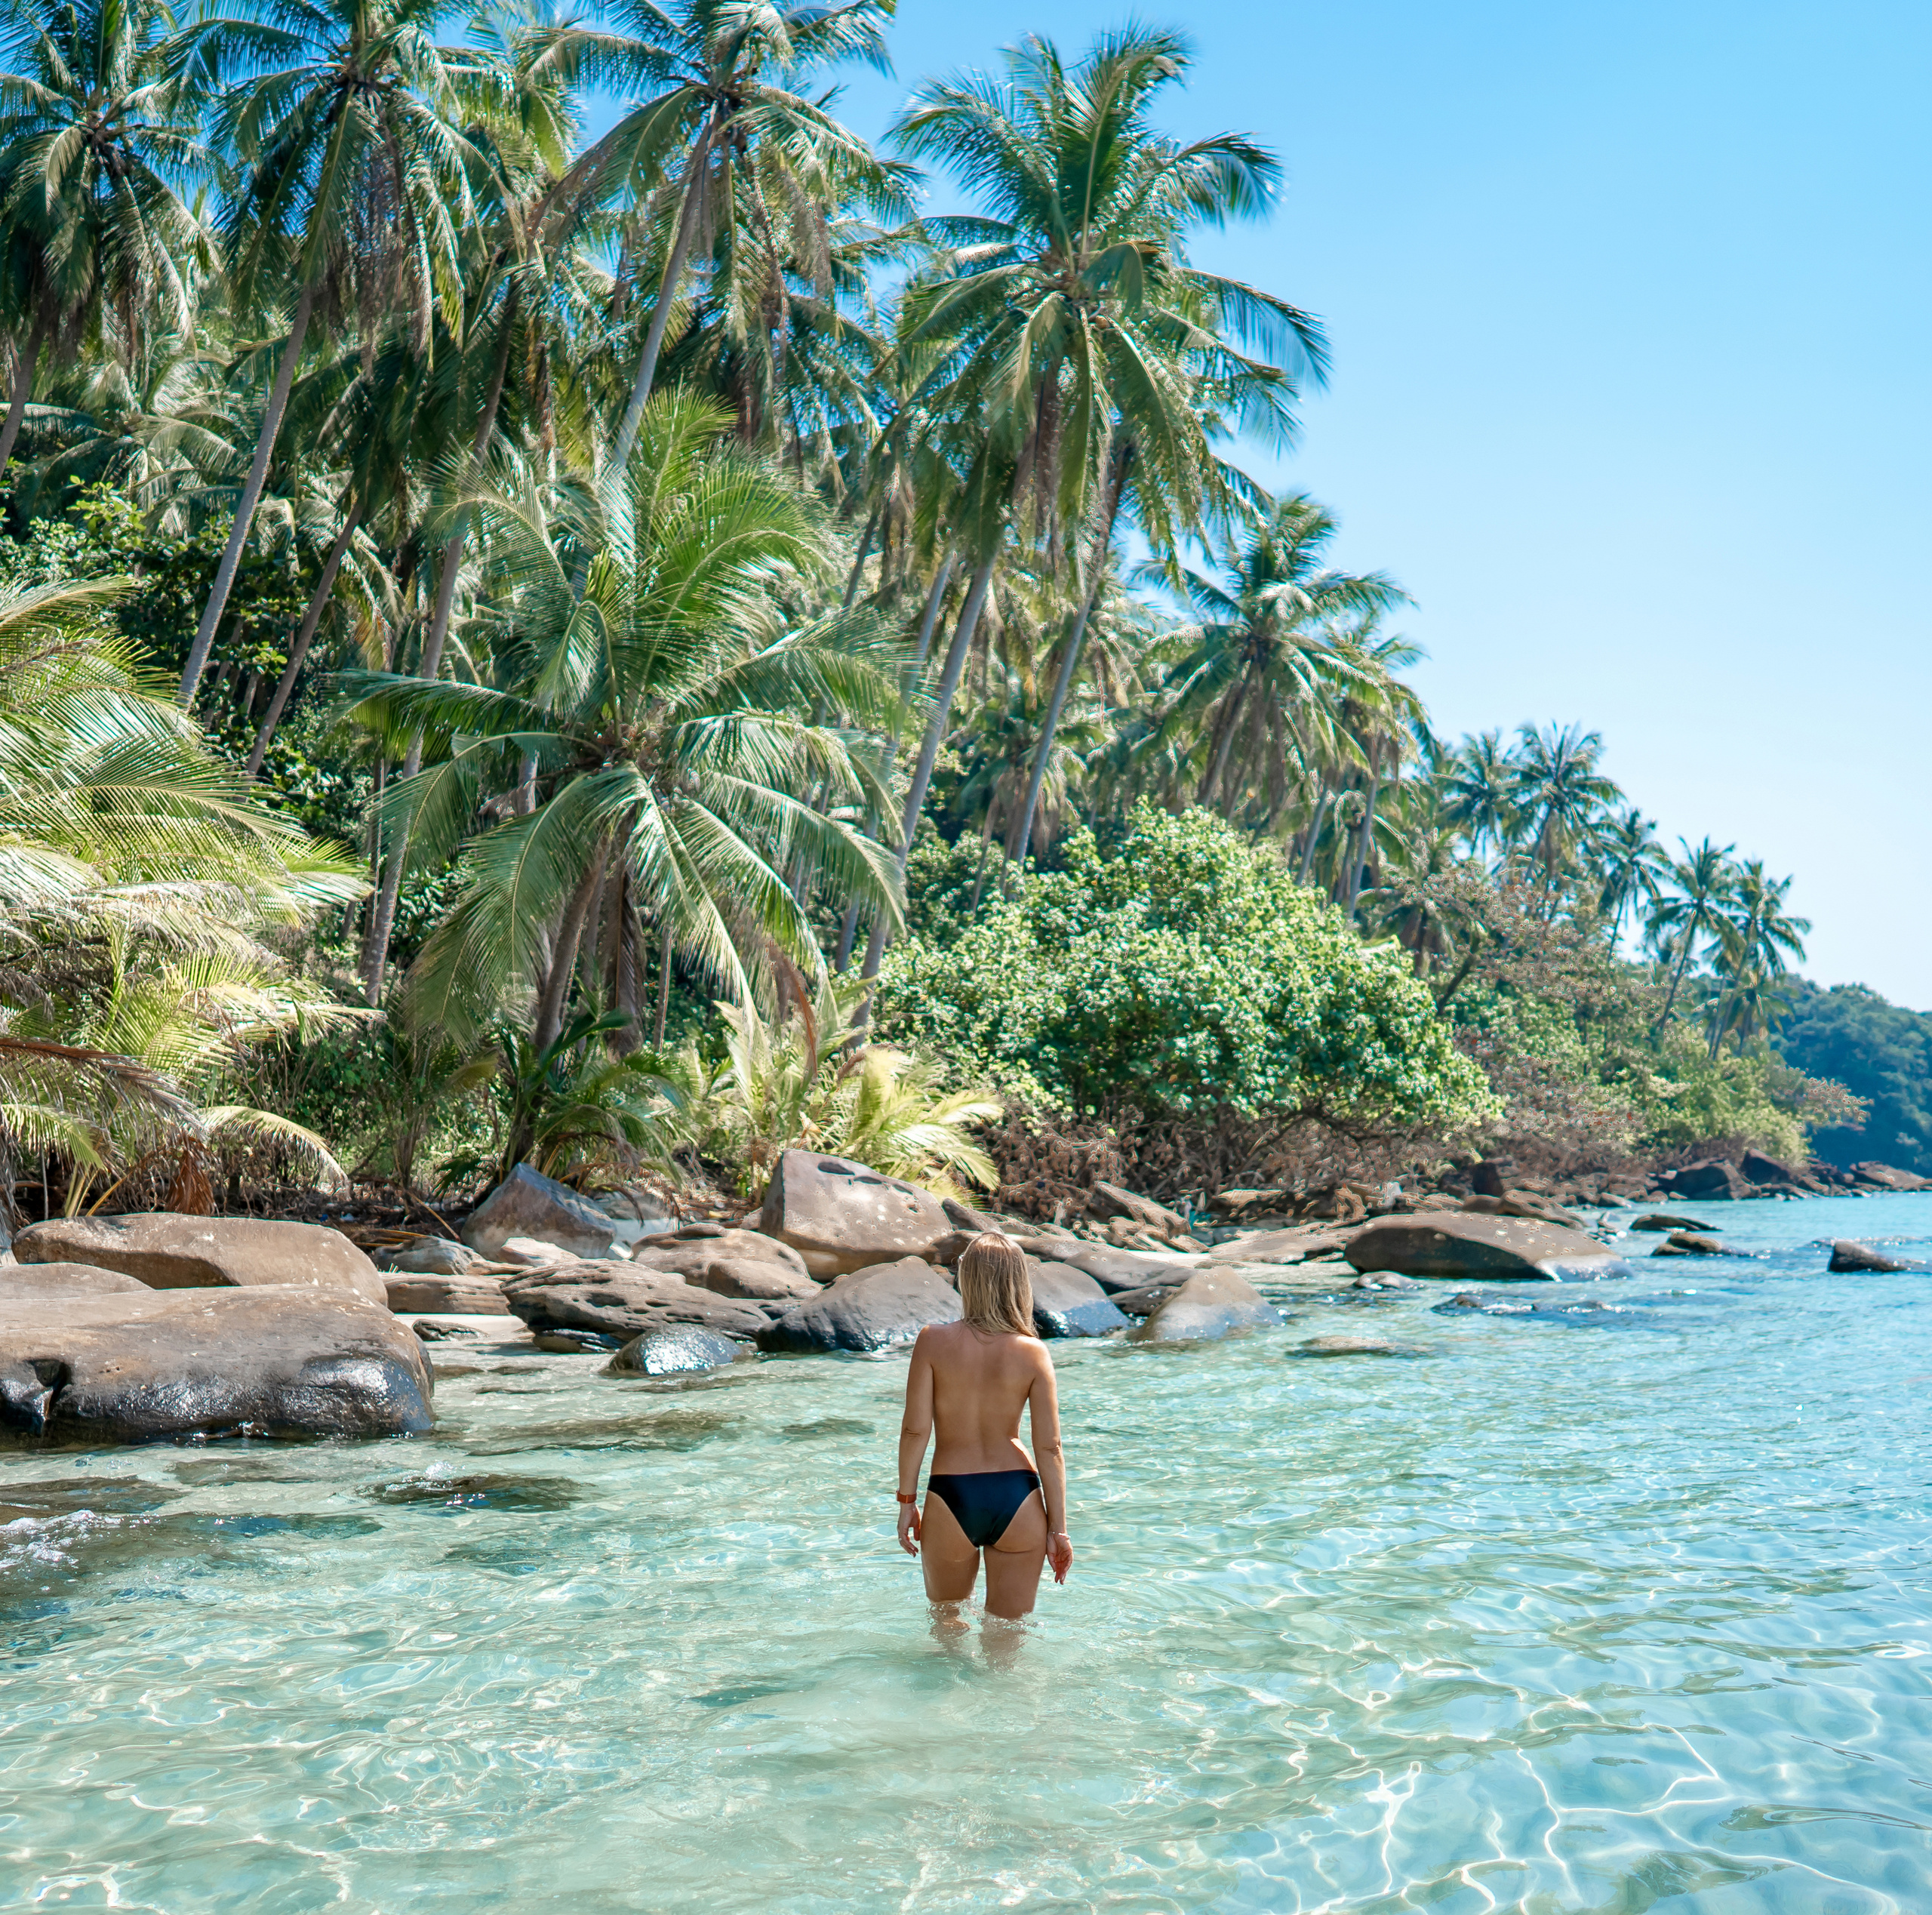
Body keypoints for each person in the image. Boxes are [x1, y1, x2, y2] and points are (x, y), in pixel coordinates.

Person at [896, 1232, 1073, 1621]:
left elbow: (914, 1431)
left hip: (950, 1494)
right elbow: (1050, 1448)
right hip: (1018, 1496)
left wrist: (906, 1503)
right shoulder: (1033, 1352)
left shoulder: (932, 1341)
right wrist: (1058, 1530)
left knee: (947, 1626)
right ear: (1018, 1282)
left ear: (967, 1279)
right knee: (1008, 1640)